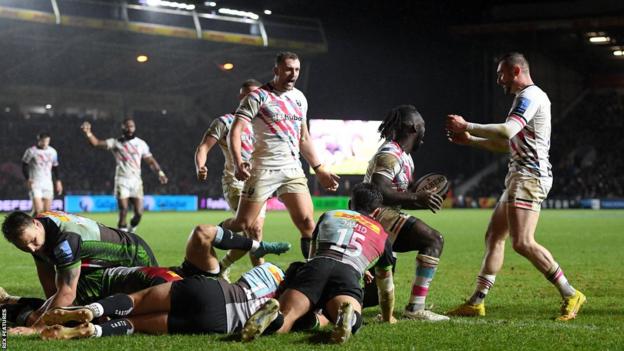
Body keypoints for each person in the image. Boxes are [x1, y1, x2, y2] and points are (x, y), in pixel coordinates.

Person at [445, 52, 585, 321]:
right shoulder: (525, 99)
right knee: (494, 235)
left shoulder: (529, 96)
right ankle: (476, 302)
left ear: (515, 71)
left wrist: (467, 125)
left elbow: (507, 131)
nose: (499, 80)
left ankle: (571, 293)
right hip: (519, 176)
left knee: (522, 242)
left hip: (529, 177)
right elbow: (507, 144)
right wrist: (470, 139)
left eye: (501, 74)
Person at [241, 183, 396, 344]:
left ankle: (275, 317)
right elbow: (386, 288)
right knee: (350, 318)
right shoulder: (383, 236)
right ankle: (347, 319)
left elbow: (312, 255)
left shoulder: (330, 215)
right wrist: (387, 317)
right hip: (348, 274)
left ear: (350, 204)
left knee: (288, 316)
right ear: (377, 212)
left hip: (317, 266)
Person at [224, 51, 340, 259]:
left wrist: (319, 168)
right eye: (288, 69)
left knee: (307, 222)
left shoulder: (299, 98)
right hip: (262, 169)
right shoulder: (258, 96)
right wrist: (239, 161)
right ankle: (208, 234)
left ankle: (313, 272)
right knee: (243, 224)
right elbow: (236, 130)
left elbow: (303, 138)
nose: (293, 74)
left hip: (291, 169)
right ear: (276, 70)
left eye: (296, 70)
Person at [38, 262, 286, 339]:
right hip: (218, 322)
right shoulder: (283, 290)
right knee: (139, 325)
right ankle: (93, 330)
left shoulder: (264, 270)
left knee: (137, 301)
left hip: (213, 291)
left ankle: (94, 309)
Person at [1, 210, 159, 331]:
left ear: (36, 223)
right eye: (24, 247)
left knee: (148, 311)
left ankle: (9, 302)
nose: (32, 249)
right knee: (75, 308)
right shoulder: (39, 234)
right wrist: (48, 317)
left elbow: (67, 293)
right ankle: (9, 301)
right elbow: (52, 291)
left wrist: (36, 327)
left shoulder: (64, 240)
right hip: (98, 267)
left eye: (33, 241)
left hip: (134, 258)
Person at [362, 105, 449, 321]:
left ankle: (326, 304)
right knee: (433, 239)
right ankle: (415, 308)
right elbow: (380, 191)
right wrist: (417, 197)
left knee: (372, 297)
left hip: (384, 216)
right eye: (423, 126)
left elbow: (400, 196)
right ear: (412, 127)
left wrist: (423, 200)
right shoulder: (389, 154)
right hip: (374, 215)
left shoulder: (405, 157)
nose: (424, 133)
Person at [195, 79, 267, 279]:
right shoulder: (224, 122)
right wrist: (200, 166)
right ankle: (261, 277)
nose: (251, 98)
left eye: (255, 94)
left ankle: (221, 265)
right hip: (235, 181)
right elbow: (203, 147)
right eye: (247, 94)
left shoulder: (263, 126)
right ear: (240, 97)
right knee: (252, 227)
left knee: (253, 234)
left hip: (261, 183)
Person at [80, 118, 168, 232]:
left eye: (132, 126)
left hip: (136, 181)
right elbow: (96, 143)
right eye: (127, 126)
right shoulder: (116, 142)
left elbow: (150, 161)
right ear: (123, 128)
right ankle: (122, 239)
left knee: (139, 213)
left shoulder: (141, 144)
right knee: (123, 210)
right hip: (122, 179)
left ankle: (131, 229)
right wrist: (88, 133)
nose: (130, 129)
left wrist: (160, 173)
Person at [22, 132, 63, 216]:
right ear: (39, 141)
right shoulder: (31, 151)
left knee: (46, 212)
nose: (45, 143)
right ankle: (29, 226)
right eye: (43, 141)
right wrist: (28, 179)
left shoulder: (53, 151)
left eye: (47, 141)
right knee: (38, 210)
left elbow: (55, 167)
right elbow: (24, 166)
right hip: (35, 183)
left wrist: (58, 181)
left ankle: (32, 224)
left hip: (48, 183)